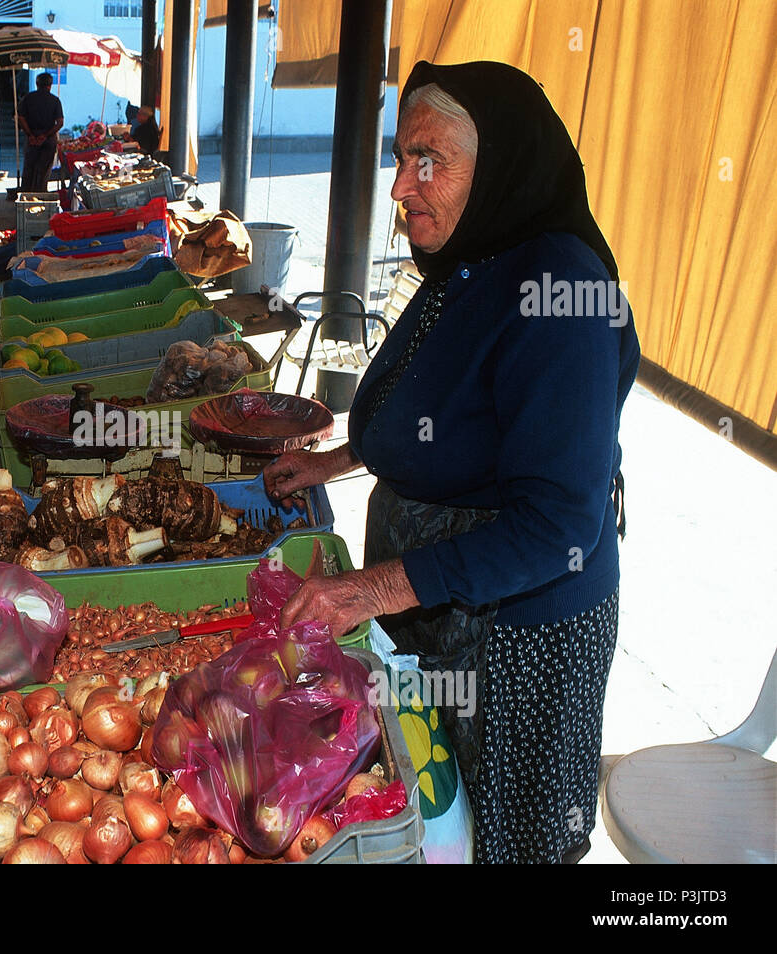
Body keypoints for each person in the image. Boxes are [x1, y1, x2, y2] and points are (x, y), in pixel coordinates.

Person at [263, 60, 640, 864]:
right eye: (402, 158)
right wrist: (341, 459)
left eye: (428, 159)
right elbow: (445, 403)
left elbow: (554, 526)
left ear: (500, 161)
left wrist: (370, 588)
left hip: (517, 632)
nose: (402, 185)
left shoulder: (562, 290)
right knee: (437, 817)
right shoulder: (470, 259)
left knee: (503, 836)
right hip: (439, 605)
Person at [15, 72, 63, 193]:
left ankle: (26, 197)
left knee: (29, 169)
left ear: (37, 84)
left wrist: (30, 135)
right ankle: (41, 196)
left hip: (31, 138)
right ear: (50, 85)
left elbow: (20, 118)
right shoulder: (55, 100)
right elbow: (60, 122)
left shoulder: (28, 98)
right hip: (48, 139)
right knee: (44, 171)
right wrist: (45, 135)